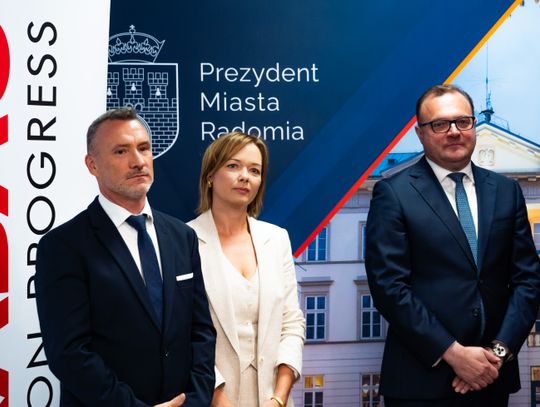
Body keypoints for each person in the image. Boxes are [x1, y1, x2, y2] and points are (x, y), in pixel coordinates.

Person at [365, 84, 540, 407]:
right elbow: (389, 287)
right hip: (420, 383)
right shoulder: (394, 193)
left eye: (463, 121)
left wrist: (498, 353)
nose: (454, 131)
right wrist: (454, 353)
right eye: (440, 124)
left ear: (473, 125)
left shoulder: (506, 191)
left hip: (492, 378)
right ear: (420, 133)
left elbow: (528, 280)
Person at [35, 107, 216, 406]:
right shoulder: (63, 246)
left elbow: (201, 333)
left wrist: (194, 402)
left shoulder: (182, 236)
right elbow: (69, 354)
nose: (138, 161)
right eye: (121, 151)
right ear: (92, 165)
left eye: (143, 148)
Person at [187, 132, 305, 407]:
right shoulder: (184, 240)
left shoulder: (276, 239)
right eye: (233, 166)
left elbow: (291, 323)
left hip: (273, 398)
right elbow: (182, 335)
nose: (245, 177)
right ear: (210, 175)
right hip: (210, 398)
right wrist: (218, 399)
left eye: (254, 170)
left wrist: (279, 397)